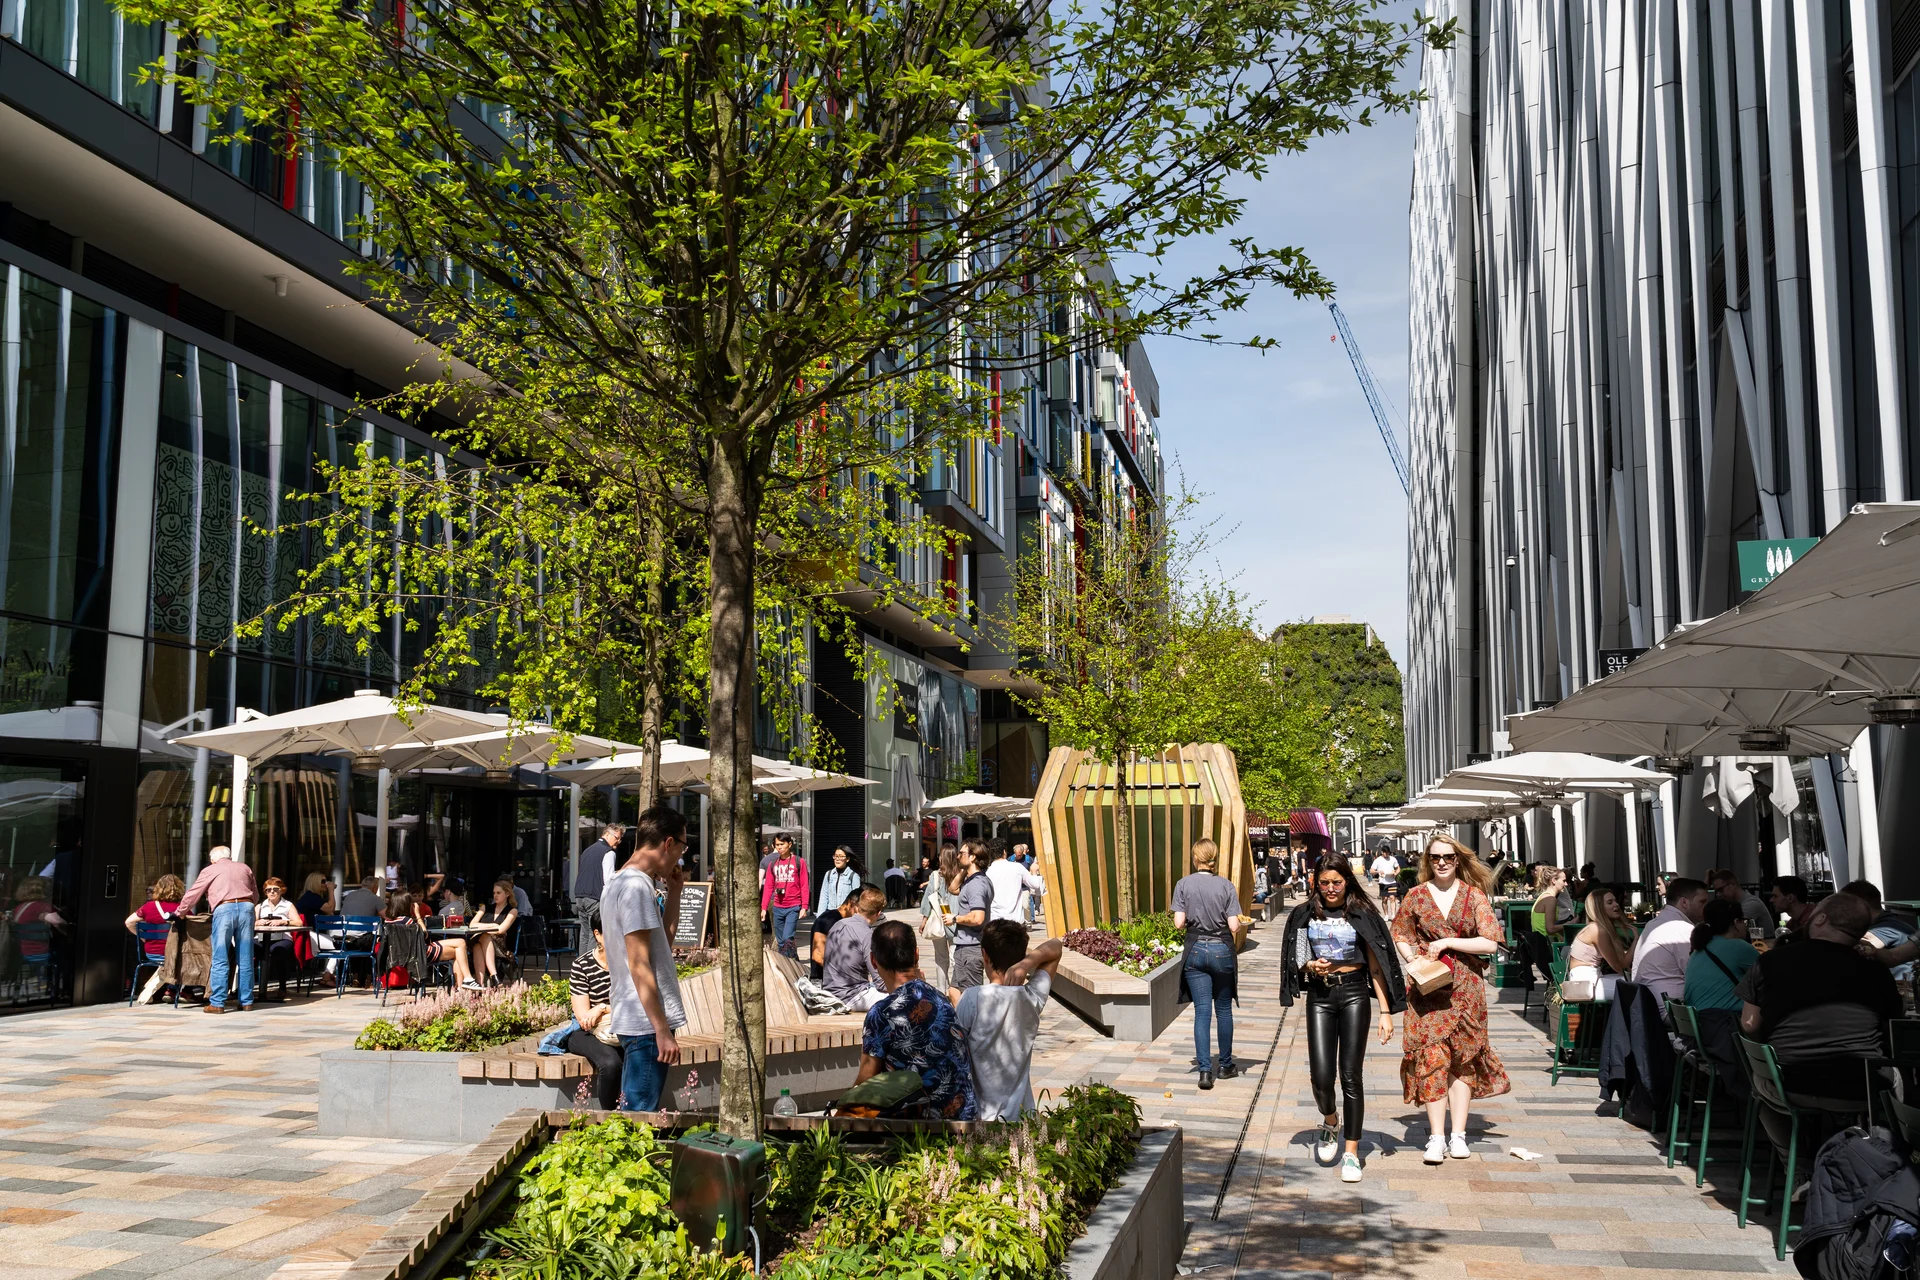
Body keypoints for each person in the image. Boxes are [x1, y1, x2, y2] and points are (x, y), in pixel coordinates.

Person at [1737, 892, 1900, 1157]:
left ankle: (1798, 1168)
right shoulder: (1876, 972)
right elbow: (1891, 1025)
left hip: (1791, 1084)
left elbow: (1750, 1025)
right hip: (1860, 1087)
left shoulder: (1771, 961)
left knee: (1759, 1082)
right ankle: (1880, 1159)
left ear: (1821, 918)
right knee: (1898, 1080)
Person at [1280, 854, 1406, 1183]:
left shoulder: (1361, 914)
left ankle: (1351, 1151)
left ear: (1347, 881)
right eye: (1325, 883)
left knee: (1351, 1075)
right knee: (1321, 1077)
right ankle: (1331, 1120)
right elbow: (1298, 957)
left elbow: (1376, 964)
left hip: (1354, 994)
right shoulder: (1304, 914)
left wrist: (1385, 1011)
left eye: (1337, 882)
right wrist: (1310, 967)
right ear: (1316, 883)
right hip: (1320, 996)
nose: (1332, 888)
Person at [1391, 834, 1509, 1163]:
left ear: (1457, 860)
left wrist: (1448, 943)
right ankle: (1435, 1137)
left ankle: (1458, 1135)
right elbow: (1400, 932)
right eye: (1435, 857)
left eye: (1448, 857)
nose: (1441, 862)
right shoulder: (1415, 896)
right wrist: (1411, 959)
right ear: (1427, 862)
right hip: (1427, 991)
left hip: (1466, 991)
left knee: (1463, 1060)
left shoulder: (1473, 897)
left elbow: (1489, 942)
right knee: (1430, 1060)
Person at [602, 806, 689, 1112]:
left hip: (634, 1017)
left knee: (634, 1114)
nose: (680, 856)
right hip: (645, 1024)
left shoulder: (617, 882)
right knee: (638, 1119)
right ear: (668, 843)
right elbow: (639, 965)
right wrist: (662, 1030)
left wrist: (675, 893)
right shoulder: (637, 887)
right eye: (682, 847)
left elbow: (659, 945)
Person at [855, 919, 977, 1120]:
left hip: (919, 1130)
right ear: (917, 954)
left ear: (873, 961)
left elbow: (866, 1080)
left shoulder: (882, 1012)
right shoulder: (942, 1001)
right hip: (964, 1119)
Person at [957, 920, 1063, 1121]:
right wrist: (1027, 963)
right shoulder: (1031, 997)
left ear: (984, 955)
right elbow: (1056, 947)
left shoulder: (972, 998)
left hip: (981, 1118)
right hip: (1022, 1118)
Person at [1173, 839, 1247, 1090]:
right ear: (1215, 858)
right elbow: (1234, 925)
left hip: (1195, 950)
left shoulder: (1183, 884)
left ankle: (1205, 1071)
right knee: (1223, 1010)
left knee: (1201, 1012)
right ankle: (1225, 1065)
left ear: (1195, 858)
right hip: (1221, 949)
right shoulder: (1226, 885)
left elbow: (1178, 923)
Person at [176, 845, 258, 1013]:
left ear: (213, 859)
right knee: (245, 957)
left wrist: (180, 912)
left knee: (220, 956)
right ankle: (247, 1001)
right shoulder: (244, 867)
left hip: (224, 908)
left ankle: (218, 1003)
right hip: (246, 907)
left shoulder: (210, 870)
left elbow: (194, 893)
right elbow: (255, 893)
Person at [566, 915, 625, 1110]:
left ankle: (633, 1114)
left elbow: (634, 1004)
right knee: (610, 1063)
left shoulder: (628, 963)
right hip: (587, 1032)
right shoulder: (582, 965)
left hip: (623, 1026)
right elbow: (584, 1018)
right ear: (597, 935)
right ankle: (609, 1120)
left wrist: (601, 1008)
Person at [1628, 877, 1711, 1005]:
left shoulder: (1654, 923)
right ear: (1684, 902)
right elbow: (1699, 975)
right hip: (1673, 1009)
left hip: (1648, 1005)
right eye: (1702, 902)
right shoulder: (1681, 928)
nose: (1707, 907)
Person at [1683, 898, 1758, 1012]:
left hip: (1701, 1023)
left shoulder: (1699, 949)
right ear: (1736, 922)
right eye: (1744, 921)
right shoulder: (1738, 946)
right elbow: (1771, 976)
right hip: (1729, 1023)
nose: (1745, 926)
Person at [823, 888, 887, 1010]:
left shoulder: (838, 924)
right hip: (851, 997)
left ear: (857, 907)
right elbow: (880, 983)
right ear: (878, 914)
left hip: (830, 991)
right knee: (907, 998)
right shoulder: (868, 935)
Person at [947, 840, 995, 1002]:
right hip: (966, 946)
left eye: (962, 853)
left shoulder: (976, 884)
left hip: (971, 948)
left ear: (973, 857)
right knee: (954, 992)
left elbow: (977, 917)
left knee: (972, 999)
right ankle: (963, 1025)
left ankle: (973, 1026)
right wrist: (964, 869)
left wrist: (954, 918)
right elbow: (952, 889)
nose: (958, 856)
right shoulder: (974, 880)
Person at [401, 893, 481, 988]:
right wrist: (418, 916)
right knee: (458, 950)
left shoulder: (389, 922)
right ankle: (464, 982)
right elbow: (424, 935)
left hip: (406, 955)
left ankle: (464, 983)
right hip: (421, 953)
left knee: (460, 942)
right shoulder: (408, 922)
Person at [1568, 887, 1637, 990]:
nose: (1616, 904)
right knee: (1636, 987)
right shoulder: (1598, 930)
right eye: (1610, 902)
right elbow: (1619, 967)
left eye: (1615, 901)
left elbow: (1621, 964)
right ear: (1598, 908)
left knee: (1634, 982)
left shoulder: (1598, 928)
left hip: (1590, 978)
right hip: (1585, 983)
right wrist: (1636, 940)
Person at [254, 877, 306, 997]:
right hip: (261, 938)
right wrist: (257, 922)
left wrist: (284, 922)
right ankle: (249, 987)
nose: (272, 892)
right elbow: (251, 922)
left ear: (282, 890)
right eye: (268, 890)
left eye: (275, 889)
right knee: (249, 949)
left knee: (278, 951)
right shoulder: (260, 906)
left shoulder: (287, 905)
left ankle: (282, 986)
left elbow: (299, 923)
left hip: (282, 937)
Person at [919, 843, 961, 989]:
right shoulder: (961, 875)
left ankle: (942, 991)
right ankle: (957, 989)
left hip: (939, 921)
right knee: (956, 958)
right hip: (956, 921)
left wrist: (924, 920)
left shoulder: (936, 876)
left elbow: (927, 900)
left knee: (941, 959)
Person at [761, 838, 809, 959]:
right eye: (777, 845)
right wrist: (763, 908)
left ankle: (788, 963)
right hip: (777, 906)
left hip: (793, 906)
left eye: (782, 844)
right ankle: (791, 960)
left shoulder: (799, 862)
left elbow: (804, 885)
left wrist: (804, 907)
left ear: (790, 844)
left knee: (788, 937)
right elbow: (768, 887)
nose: (780, 847)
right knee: (781, 940)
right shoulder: (773, 864)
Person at [469, 878, 521, 984]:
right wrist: (493, 925)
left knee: (482, 939)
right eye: (494, 893)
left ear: (507, 894)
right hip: (483, 941)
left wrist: (483, 928)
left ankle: (480, 983)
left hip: (501, 946)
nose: (495, 895)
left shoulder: (512, 911)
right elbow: (472, 925)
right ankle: (493, 976)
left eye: (498, 893)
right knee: (480, 942)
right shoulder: (485, 908)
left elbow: (502, 930)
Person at [125, 873, 185, 963]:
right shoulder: (182, 908)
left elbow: (129, 922)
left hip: (153, 953)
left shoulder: (148, 906)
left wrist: (144, 937)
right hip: (176, 954)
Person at [985, 839, 1044, 924]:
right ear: (1004, 852)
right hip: (1015, 921)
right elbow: (1035, 884)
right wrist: (1034, 871)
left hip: (994, 921)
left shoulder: (987, 872)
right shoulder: (1017, 868)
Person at [1708, 869, 1773, 938]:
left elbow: (1731, 931)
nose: (1718, 894)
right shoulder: (1733, 905)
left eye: (1720, 890)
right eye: (1716, 892)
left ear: (1732, 885)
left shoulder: (1751, 903)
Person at [810, 897, 857, 981]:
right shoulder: (828, 920)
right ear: (851, 904)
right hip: (824, 981)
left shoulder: (845, 922)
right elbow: (818, 956)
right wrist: (844, 975)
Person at [1530, 866, 1571, 940]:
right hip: (1547, 945)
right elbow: (1550, 929)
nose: (1566, 884)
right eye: (1564, 881)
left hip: (1542, 942)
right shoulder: (1550, 899)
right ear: (1554, 880)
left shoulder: (1544, 896)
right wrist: (1570, 924)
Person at [819, 846, 861, 915]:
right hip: (830, 914)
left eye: (841, 856)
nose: (837, 859)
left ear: (847, 859)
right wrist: (819, 917)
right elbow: (823, 897)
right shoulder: (829, 874)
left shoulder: (853, 876)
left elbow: (857, 900)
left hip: (845, 915)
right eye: (836, 856)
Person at [1367, 844, 1400, 909]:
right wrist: (1378, 872)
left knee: (1392, 898)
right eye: (1385, 853)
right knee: (1384, 899)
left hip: (1392, 882)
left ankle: (1393, 915)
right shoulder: (1378, 860)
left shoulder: (1393, 859)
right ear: (1382, 852)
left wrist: (1396, 873)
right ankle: (1386, 914)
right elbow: (1371, 871)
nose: (1387, 854)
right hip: (1383, 882)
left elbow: (1398, 868)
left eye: (1388, 853)